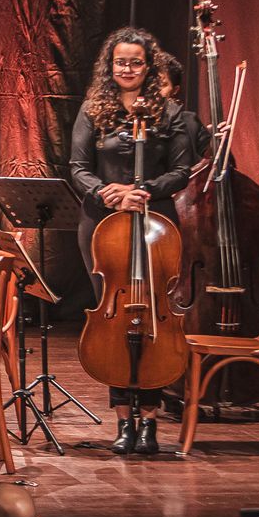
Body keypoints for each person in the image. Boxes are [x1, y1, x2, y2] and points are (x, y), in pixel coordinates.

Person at [69, 27, 193, 455]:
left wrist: (145, 191)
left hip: (154, 220)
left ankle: (151, 422)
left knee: (154, 316)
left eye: (135, 62)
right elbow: (78, 166)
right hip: (103, 225)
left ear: (148, 66)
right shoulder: (93, 109)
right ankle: (123, 420)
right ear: (110, 65)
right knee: (114, 319)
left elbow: (181, 170)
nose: (127, 69)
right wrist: (109, 192)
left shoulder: (170, 112)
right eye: (120, 61)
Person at [155, 50, 213, 160]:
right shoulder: (128, 121)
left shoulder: (190, 122)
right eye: (151, 83)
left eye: (162, 85)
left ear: (175, 90)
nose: (154, 90)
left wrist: (216, 142)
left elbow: (211, 161)